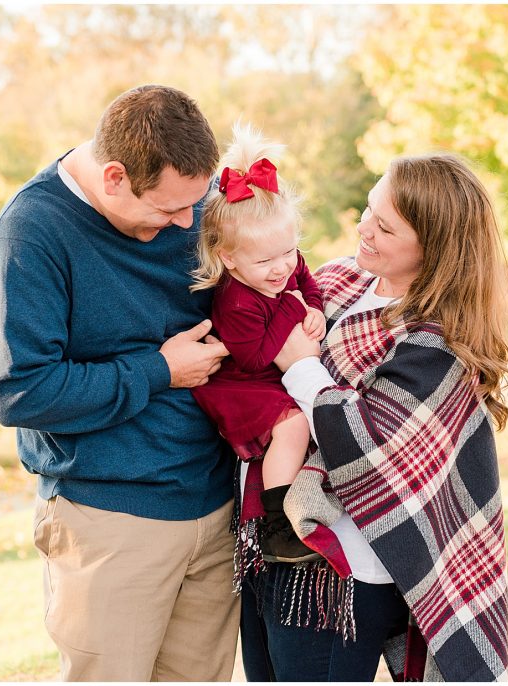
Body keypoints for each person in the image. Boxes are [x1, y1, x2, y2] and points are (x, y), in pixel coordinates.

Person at [0, 85, 240, 681]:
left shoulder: (190, 201)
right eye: (168, 211)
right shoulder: (34, 231)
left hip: (216, 505)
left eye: (193, 205)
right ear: (115, 176)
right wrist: (160, 370)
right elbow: (19, 389)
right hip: (110, 520)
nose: (187, 223)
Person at [238, 152, 508, 681]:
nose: (364, 228)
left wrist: (299, 364)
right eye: (369, 208)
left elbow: (366, 444)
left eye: (385, 226)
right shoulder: (336, 283)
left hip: (342, 571)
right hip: (269, 539)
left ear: (435, 250)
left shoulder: (438, 341)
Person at [189, 123, 325, 563]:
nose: (281, 268)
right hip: (239, 383)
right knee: (293, 426)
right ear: (229, 258)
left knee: (311, 420)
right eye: (265, 260)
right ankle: (275, 525)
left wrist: (315, 308)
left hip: (268, 373)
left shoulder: (286, 260)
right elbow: (252, 357)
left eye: (288, 251)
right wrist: (293, 307)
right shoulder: (236, 301)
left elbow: (307, 280)